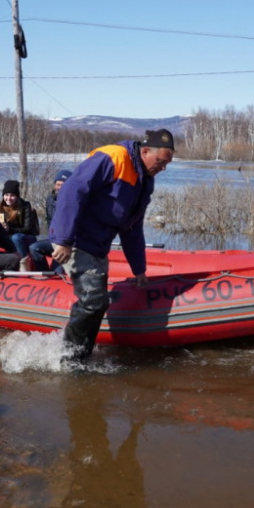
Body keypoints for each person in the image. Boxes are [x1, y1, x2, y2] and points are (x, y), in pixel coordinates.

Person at [49, 129, 175, 362]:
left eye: (167, 164)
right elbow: (71, 190)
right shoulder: (114, 157)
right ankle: (67, 358)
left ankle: (80, 354)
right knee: (93, 301)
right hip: (77, 239)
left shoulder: (145, 181)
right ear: (145, 151)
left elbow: (132, 228)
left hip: (99, 246)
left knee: (96, 304)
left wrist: (139, 269)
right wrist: (64, 240)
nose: (162, 168)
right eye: (160, 162)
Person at [28, 169, 72, 273]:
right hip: (54, 240)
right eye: (58, 184)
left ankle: (55, 274)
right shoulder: (50, 200)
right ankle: (45, 275)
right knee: (34, 248)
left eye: (63, 185)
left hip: (68, 243)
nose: (60, 188)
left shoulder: (75, 202)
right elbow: (49, 220)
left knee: (56, 270)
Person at [0, 179, 38, 271]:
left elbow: (27, 228)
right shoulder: (0, 207)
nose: (9, 198)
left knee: (16, 237)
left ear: (17, 196)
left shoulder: (25, 206)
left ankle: (24, 265)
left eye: (12, 195)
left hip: (27, 237)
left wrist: (9, 228)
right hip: (9, 236)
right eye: (6, 195)